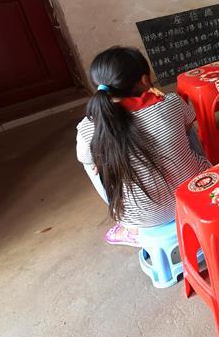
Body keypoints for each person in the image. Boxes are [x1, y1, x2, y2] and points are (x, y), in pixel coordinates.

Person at [76, 47, 209, 246]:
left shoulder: (88, 128)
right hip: (196, 194)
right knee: (187, 128)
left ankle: (128, 225)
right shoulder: (171, 102)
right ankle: (205, 174)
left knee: (91, 163)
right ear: (145, 80)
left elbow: (86, 158)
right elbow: (188, 128)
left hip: (144, 218)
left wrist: (101, 159)